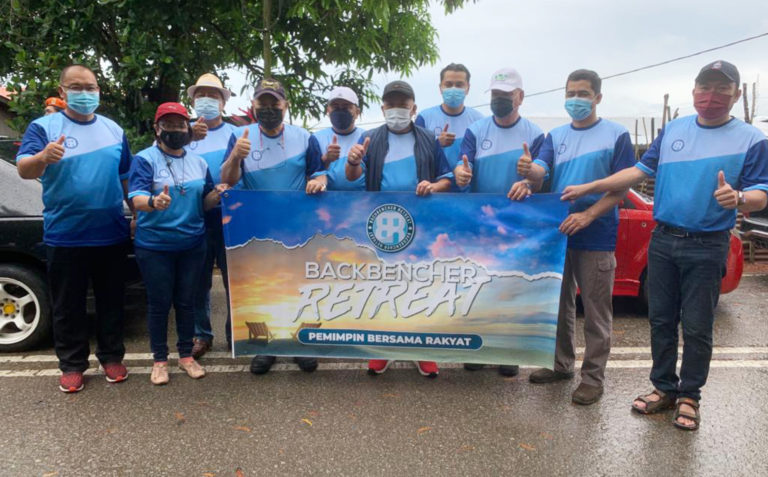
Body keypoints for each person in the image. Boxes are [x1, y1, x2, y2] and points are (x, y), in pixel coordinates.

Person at [561, 61, 768, 428]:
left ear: (736, 94)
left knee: (698, 325)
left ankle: (690, 396)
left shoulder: (752, 139)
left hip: (707, 243)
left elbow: (760, 194)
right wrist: (590, 187)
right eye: (706, 87)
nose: (712, 96)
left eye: (722, 89)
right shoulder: (674, 129)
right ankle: (663, 388)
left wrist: (737, 197)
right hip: (663, 239)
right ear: (694, 92)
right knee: (660, 320)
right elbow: (637, 172)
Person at [520, 69, 636, 405]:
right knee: (559, 305)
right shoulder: (555, 136)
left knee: (597, 311)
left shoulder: (616, 135)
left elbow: (622, 188)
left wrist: (588, 215)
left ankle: (593, 379)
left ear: (598, 97)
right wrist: (530, 171)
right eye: (571, 93)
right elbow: (541, 173)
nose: (576, 100)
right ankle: (561, 365)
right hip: (559, 234)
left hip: (597, 234)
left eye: (583, 94)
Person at [16, 64, 131, 393]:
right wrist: (42, 157)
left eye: (91, 86)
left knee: (112, 301)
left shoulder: (113, 130)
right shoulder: (44, 127)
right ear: (63, 91)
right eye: (77, 87)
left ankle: (111, 357)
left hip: (110, 232)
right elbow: (25, 169)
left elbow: (126, 179)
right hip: (65, 234)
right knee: (68, 304)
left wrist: (137, 214)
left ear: (98, 90)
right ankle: (72, 364)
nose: (85, 92)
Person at [345, 80, 453, 378]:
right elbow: (354, 177)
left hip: (421, 227)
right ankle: (383, 350)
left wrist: (433, 185)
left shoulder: (428, 140)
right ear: (383, 108)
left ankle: (423, 351)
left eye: (402, 106)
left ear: (413, 108)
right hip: (380, 226)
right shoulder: (370, 138)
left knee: (420, 287)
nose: (396, 110)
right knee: (383, 287)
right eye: (390, 105)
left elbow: (447, 179)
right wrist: (353, 161)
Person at [220, 78, 327, 374]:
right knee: (261, 288)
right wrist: (235, 156)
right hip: (256, 226)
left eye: (274, 103)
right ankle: (263, 346)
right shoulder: (241, 136)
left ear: (285, 105)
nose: (268, 109)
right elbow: (227, 179)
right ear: (254, 105)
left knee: (300, 287)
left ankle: (301, 343)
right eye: (262, 104)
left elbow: (319, 173)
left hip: (298, 227)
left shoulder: (304, 137)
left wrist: (319, 181)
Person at [452, 67, 545, 377]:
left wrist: (530, 177)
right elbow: (462, 171)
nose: (499, 100)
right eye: (495, 95)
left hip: (518, 227)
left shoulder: (535, 134)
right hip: (480, 225)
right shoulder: (476, 131)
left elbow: (542, 183)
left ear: (520, 97)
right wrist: (460, 175)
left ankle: (508, 352)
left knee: (512, 288)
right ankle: (477, 348)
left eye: (505, 96)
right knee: (479, 286)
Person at [128, 102, 228, 385]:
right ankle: (160, 360)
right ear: (157, 129)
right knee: (159, 304)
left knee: (187, 302)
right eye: (168, 125)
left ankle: (186, 356)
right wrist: (153, 202)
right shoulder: (145, 159)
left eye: (180, 124)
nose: (174, 129)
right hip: (155, 246)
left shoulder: (199, 162)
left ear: (188, 128)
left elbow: (205, 201)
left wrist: (218, 193)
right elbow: (134, 198)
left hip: (192, 244)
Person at [185, 73, 239, 358]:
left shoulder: (235, 133)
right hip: (196, 217)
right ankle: (202, 335)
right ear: (193, 100)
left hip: (232, 217)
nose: (207, 100)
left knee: (235, 279)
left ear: (223, 101)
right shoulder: (182, 135)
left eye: (214, 95)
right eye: (201, 95)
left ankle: (236, 335)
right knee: (199, 281)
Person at [415, 63, 483, 172]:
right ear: (440, 88)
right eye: (448, 84)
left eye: (459, 85)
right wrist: (437, 143)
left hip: (468, 187)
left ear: (468, 88)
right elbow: (415, 155)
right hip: (434, 186)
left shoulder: (479, 120)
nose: (453, 89)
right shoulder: (424, 118)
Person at [310, 86, 366, 190]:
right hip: (328, 201)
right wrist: (326, 160)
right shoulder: (316, 138)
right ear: (328, 111)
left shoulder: (366, 137)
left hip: (361, 201)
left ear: (357, 112)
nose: (340, 110)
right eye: (335, 107)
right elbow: (315, 173)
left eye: (346, 107)